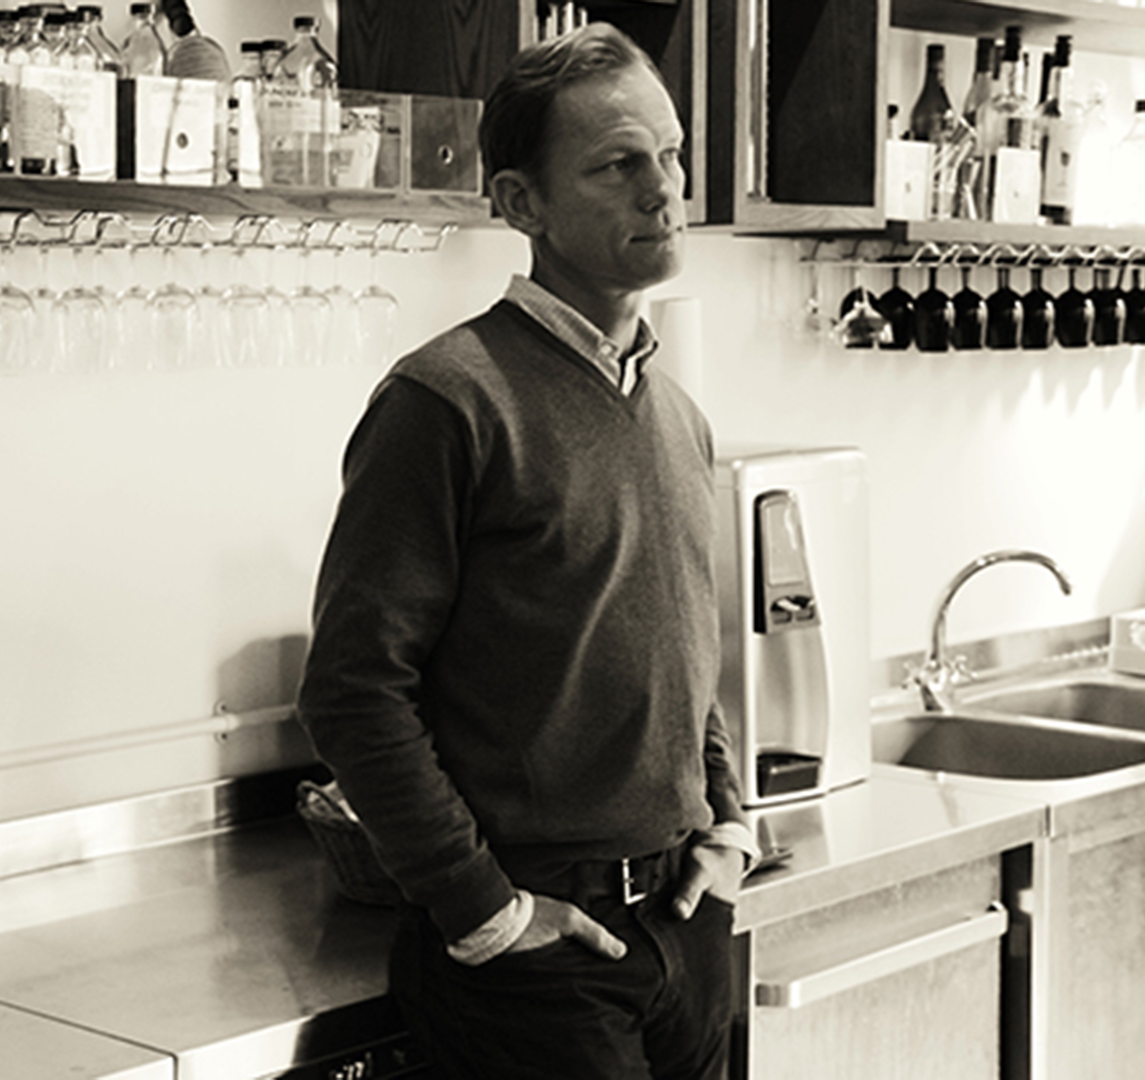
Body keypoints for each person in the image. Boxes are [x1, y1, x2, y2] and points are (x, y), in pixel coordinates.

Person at [295, 23, 758, 1080]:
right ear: (519, 205)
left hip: (686, 930)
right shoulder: (446, 401)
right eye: (617, 165)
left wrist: (729, 823)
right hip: (538, 963)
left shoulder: (677, 413)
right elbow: (354, 691)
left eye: (672, 155)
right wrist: (487, 911)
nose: (664, 189)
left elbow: (684, 657)